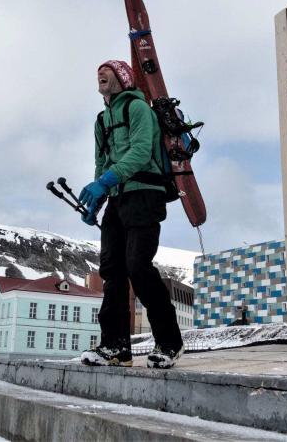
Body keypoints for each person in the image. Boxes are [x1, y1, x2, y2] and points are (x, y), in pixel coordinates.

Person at [78, 60, 184, 369]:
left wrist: (104, 182)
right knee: (112, 271)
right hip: (116, 199)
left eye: (108, 71)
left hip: (145, 194)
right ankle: (116, 346)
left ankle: (169, 343)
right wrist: (95, 202)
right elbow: (102, 161)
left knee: (138, 267)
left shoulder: (138, 109)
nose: (101, 74)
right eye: (98, 72)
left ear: (122, 79)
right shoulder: (101, 120)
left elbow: (139, 153)